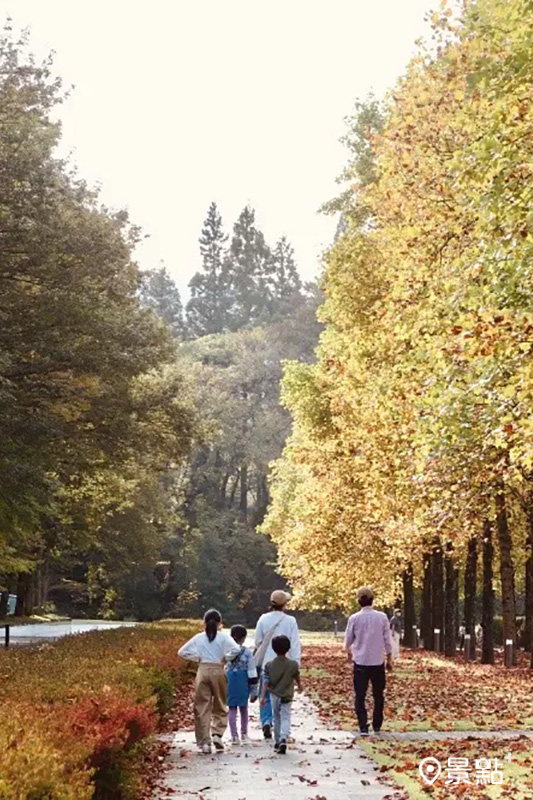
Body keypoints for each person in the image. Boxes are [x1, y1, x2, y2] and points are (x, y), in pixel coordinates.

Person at [178, 608, 241, 754]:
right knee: (220, 703)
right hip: (219, 669)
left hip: (203, 670)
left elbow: (181, 652)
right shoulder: (223, 637)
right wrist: (226, 657)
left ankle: (205, 742)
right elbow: (236, 649)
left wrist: (196, 657)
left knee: (202, 706)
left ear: (204, 622)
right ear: (219, 623)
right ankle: (217, 733)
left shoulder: (199, 637)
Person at [345, 586, 393, 736]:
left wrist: (349, 654)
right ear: (372, 600)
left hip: (360, 661)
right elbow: (387, 640)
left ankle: (363, 726)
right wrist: (389, 658)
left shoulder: (354, 619)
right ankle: (377, 724)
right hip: (377, 661)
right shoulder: (382, 617)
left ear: (359, 601)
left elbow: (348, 641)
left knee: (360, 695)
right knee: (378, 694)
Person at [254, 589, 301, 740]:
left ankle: (266, 721)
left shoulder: (263, 619)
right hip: (286, 664)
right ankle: (280, 725)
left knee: (266, 693)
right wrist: (296, 662)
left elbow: (257, 641)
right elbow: (295, 643)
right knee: (282, 694)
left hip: (267, 662)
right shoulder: (290, 621)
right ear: (285, 604)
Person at [260, 634, 302, 754]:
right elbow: (297, 677)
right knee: (286, 716)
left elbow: (266, 682)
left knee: (276, 717)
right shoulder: (293, 664)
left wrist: (263, 697)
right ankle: (284, 737)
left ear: (273, 649)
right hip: (287, 695)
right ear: (288, 648)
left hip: (274, 695)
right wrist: (300, 686)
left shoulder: (269, 665)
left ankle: (278, 740)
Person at [226, 624, 258, 745]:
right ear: (244, 638)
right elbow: (251, 671)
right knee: (243, 708)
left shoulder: (227, 651)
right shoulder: (247, 652)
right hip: (242, 680)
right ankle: (244, 733)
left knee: (232, 708)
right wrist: (254, 689)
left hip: (230, 680)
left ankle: (234, 736)